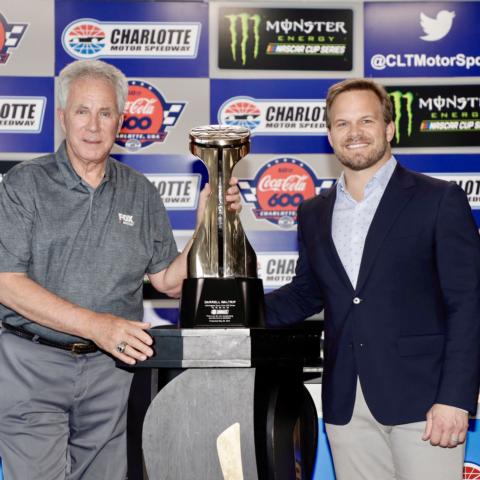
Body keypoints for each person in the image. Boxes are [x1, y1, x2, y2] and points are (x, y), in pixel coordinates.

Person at [0, 59, 241, 480]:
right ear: (62, 118)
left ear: (120, 121)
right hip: (31, 366)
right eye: (82, 111)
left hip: (112, 371)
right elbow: (7, 283)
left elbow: (168, 281)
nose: (93, 125)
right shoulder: (24, 184)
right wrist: (97, 326)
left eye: (105, 113)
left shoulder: (140, 190)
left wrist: (205, 225)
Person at [265, 78, 480, 480]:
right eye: (342, 124)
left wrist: (456, 398)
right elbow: (306, 294)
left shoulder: (439, 199)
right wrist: (230, 308)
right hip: (347, 403)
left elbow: (467, 304)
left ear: (389, 128)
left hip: (426, 403)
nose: (355, 132)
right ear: (330, 136)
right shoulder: (313, 212)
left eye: (366, 120)